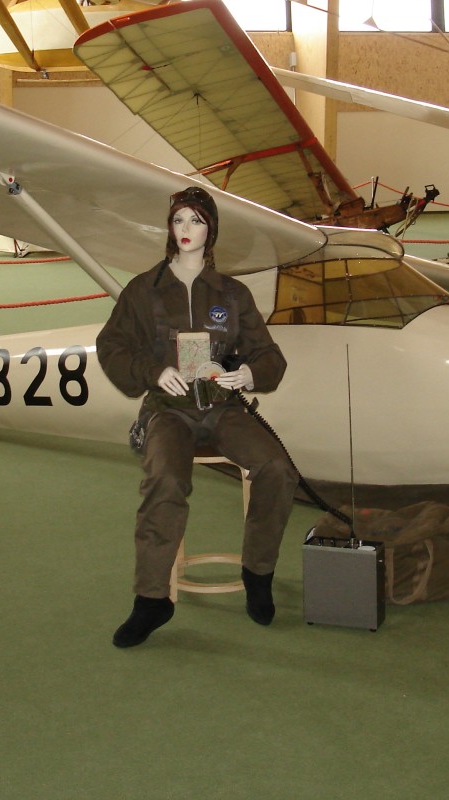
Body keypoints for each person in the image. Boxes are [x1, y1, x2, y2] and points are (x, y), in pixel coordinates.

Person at [96, 186, 301, 648]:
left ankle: (258, 573)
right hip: (168, 412)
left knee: (277, 468)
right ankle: (152, 599)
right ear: (169, 228)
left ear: (212, 231)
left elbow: (269, 355)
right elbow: (112, 346)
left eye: (196, 221)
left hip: (223, 408)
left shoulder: (232, 293)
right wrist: (152, 371)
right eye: (178, 220)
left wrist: (248, 373)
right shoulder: (143, 290)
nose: (186, 230)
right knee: (165, 480)